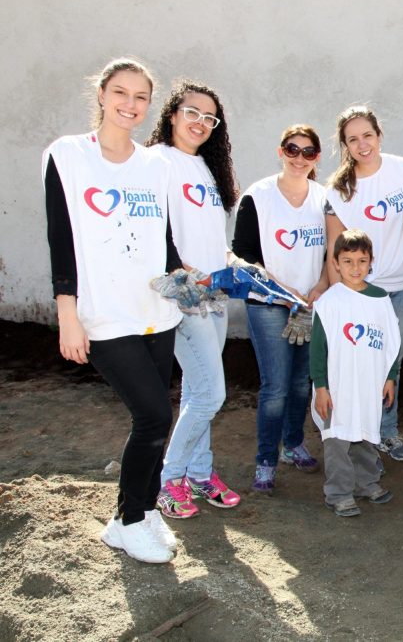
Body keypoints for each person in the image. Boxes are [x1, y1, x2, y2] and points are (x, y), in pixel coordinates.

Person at [44, 58, 183, 563]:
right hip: (105, 315)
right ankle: (129, 520)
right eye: (121, 92)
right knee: (152, 416)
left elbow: (162, 239)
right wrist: (68, 314)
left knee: (158, 418)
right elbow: (61, 238)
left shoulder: (156, 165)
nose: (130, 104)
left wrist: (183, 280)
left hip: (157, 311)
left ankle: (143, 510)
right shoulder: (68, 155)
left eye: (141, 96)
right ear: (101, 94)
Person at [146, 80, 241, 519]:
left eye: (209, 117)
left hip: (215, 295)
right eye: (192, 112)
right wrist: (180, 272)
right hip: (185, 298)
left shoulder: (205, 167)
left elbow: (210, 236)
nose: (200, 122)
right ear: (172, 114)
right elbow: (153, 230)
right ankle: (168, 481)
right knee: (210, 394)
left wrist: (233, 261)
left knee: (197, 391)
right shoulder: (156, 161)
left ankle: (200, 474)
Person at [232, 124, 330, 493]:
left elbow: (331, 251)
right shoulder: (257, 196)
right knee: (275, 387)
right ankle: (266, 461)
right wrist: (282, 290)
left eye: (308, 152)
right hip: (269, 304)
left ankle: (292, 444)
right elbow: (243, 255)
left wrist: (319, 288)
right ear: (280, 151)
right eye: (292, 149)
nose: (299, 158)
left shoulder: (324, 198)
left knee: (301, 382)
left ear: (317, 158)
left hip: (309, 304)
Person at [324, 105, 403, 463]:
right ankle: (360, 433)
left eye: (367, 135)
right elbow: (335, 250)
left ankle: (387, 431)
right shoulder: (338, 191)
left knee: (392, 361)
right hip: (366, 291)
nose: (362, 144)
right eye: (353, 139)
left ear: (379, 135)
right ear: (345, 145)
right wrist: (339, 298)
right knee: (363, 361)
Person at [311, 230, 400, 517]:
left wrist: (390, 376)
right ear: (336, 263)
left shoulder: (380, 299)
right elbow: (317, 349)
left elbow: (392, 342)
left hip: (369, 383)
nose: (355, 268)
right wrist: (321, 387)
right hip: (338, 386)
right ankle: (338, 494)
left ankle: (366, 483)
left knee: (365, 434)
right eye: (347, 261)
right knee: (338, 439)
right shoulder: (329, 302)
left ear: (371, 262)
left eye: (362, 261)